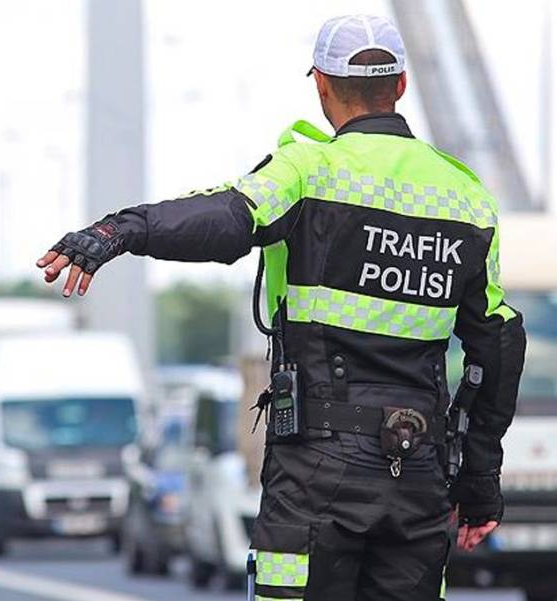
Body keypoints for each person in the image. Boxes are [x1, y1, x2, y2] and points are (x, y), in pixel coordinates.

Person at [37, 15, 526, 601]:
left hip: (317, 469)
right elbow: (497, 345)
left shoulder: (307, 171)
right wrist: (478, 482)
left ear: (321, 84)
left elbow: (223, 219)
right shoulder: (467, 198)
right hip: (417, 470)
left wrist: (121, 230)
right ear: (400, 85)